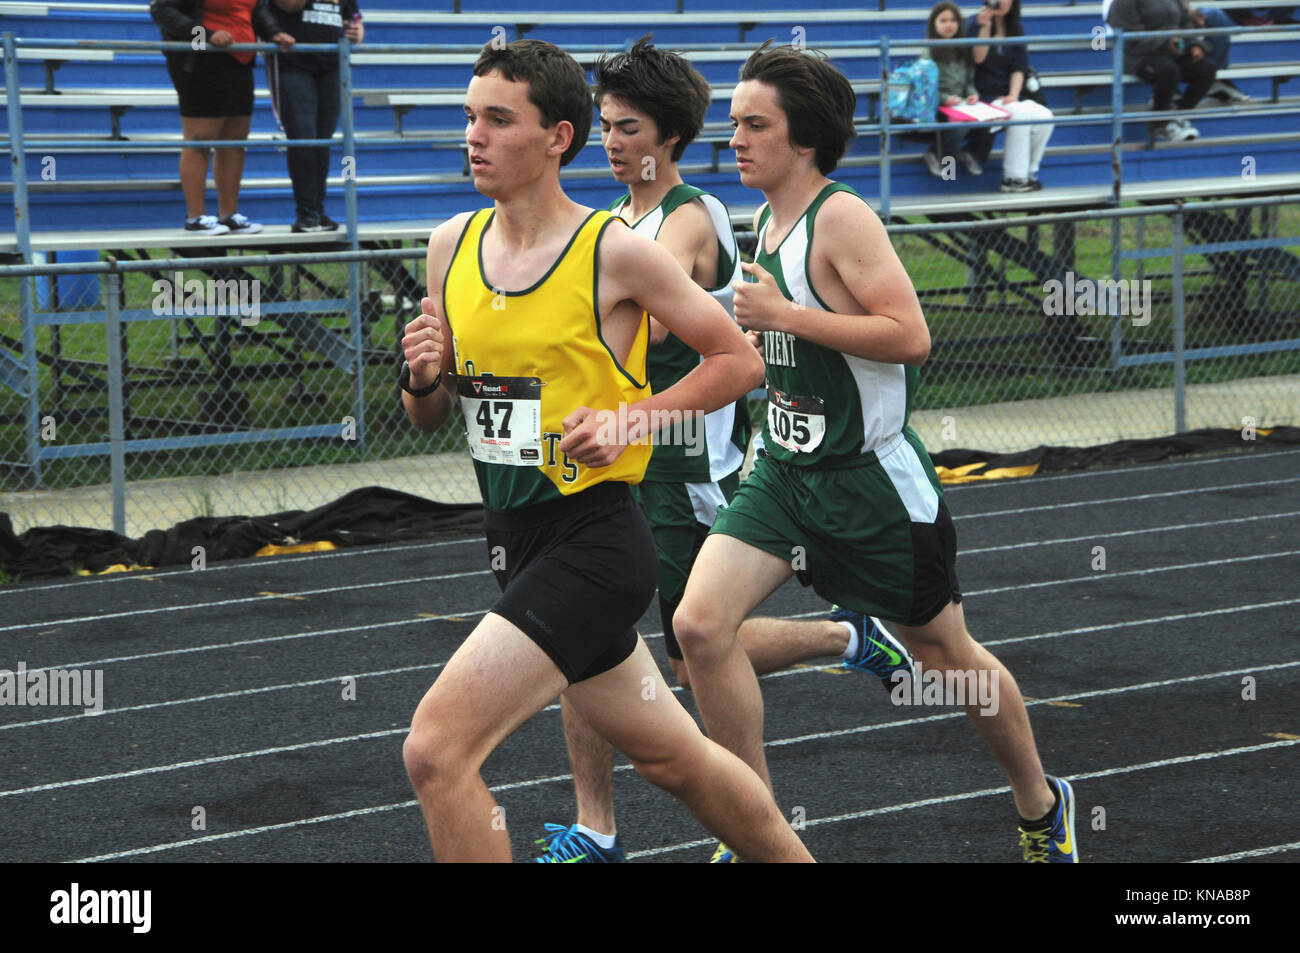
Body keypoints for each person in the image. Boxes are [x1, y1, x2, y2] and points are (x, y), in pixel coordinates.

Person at [397, 38, 813, 863]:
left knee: (436, 751)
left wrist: (634, 418)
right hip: (512, 540)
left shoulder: (614, 253)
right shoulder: (450, 244)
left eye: (497, 120)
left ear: (557, 137)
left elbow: (738, 360)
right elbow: (429, 415)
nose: (473, 137)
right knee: (676, 757)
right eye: (469, 118)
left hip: (596, 539)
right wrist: (420, 379)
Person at [672, 42, 1078, 863]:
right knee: (698, 625)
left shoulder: (841, 216)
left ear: (806, 138)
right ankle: (756, 828)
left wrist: (787, 318)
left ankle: (1041, 804)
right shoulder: (764, 216)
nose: (736, 139)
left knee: (948, 659)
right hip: (786, 474)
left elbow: (910, 337)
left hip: (870, 487)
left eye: (756, 125)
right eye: (734, 123)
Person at [531, 37, 913, 865]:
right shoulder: (616, 223)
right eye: (603, 125)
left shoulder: (687, 217)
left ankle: (844, 639)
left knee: (688, 643)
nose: (611, 142)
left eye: (627, 127)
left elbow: (657, 320)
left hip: (682, 464)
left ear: (669, 138)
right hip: (615, 457)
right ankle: (596, 825)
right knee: (584, 633)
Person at [150, 0, 294, 234]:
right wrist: (205, 35)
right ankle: (195, 217)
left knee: (235, 141)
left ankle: (228, 214)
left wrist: (274, 33)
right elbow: (161, 10)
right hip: (199, 57)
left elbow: (257, 11)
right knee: (200, 139)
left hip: (241, 58)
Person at [263, 0, 364, 232]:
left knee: (323, 140)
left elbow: (355, 19)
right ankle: (306, 211)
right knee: (303, 137)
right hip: (294, 62)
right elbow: (290, 5)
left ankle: (318, 209)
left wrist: (356, 33)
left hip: (333, 64)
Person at [965, 0, 1055, 191]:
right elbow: (977, 59)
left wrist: (1013, 94)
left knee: (1045, 116)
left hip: (1008, 96)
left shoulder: (1015, 28)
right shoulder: (973, 24)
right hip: (980, 96)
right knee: (1019, 115)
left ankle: (1029, 172)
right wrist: (985, 27)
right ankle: (1014, 178)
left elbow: (1019, 67)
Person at [1107, 0, 1218, 141]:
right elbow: (1130, 36)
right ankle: (1160, 124)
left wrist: (1194, 44)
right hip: (1138, 56)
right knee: (1168, 70)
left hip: (1170, 51)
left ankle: (1179, 115)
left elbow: (1185, 22)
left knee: (1206, 68)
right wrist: (1165, 41)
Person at [923, 1, 983, 178]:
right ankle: (942, 162)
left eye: (953, 20)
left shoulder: (963, 49)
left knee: (992, 122)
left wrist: (973, 94)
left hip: (961, 103)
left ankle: (971, 153)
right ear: (934, 24)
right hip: (937, 105)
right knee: (959, 125)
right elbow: (926, 87)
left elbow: (969, 81)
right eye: (943, 20)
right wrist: (945, 99)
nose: (949, 25)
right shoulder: (929, 52)